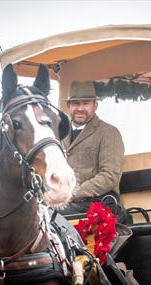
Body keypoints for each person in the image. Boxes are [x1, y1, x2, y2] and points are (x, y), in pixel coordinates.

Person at [58, 81, 125, 216]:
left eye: (85, 103)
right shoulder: (58, 134)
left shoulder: (109, 133)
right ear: (68, 106)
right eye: (76, 103)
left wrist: (76, 193)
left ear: (95, 105)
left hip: (99, 202)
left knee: (53, 216)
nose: (80, 108)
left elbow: (110, 176)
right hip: (66, 202)